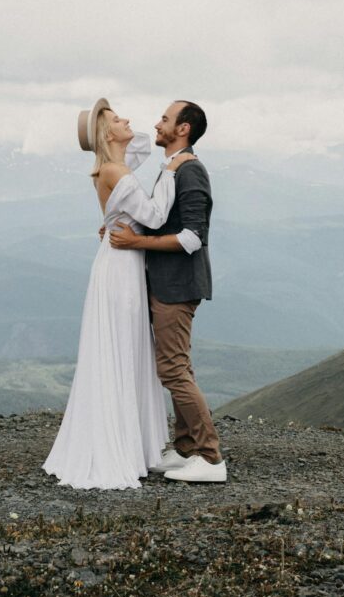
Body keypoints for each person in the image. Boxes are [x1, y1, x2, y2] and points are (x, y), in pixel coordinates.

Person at [42, 98, 195, 489]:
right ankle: (118, 446)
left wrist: (112, 134)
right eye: (116, 118)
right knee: (122, 347)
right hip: (121, 267)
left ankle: (130, 443)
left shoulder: (113, 166)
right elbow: (157, 217)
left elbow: (140, 143)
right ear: (106, 133)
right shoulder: (113, 169)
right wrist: (172, 168)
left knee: (125, 347)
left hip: (121, 262)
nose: (129, 119)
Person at [108, 100, 226, 483]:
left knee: (173, 369)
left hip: (178, 285)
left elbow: (193, 238)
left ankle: (210, 459)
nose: (156, 123)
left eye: (164, 119)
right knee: (178, 365)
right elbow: (160, 219)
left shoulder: (190, 172)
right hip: (168, 282)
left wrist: (135, 244)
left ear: (183, 129)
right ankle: (186, 448)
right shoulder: (174, 167)